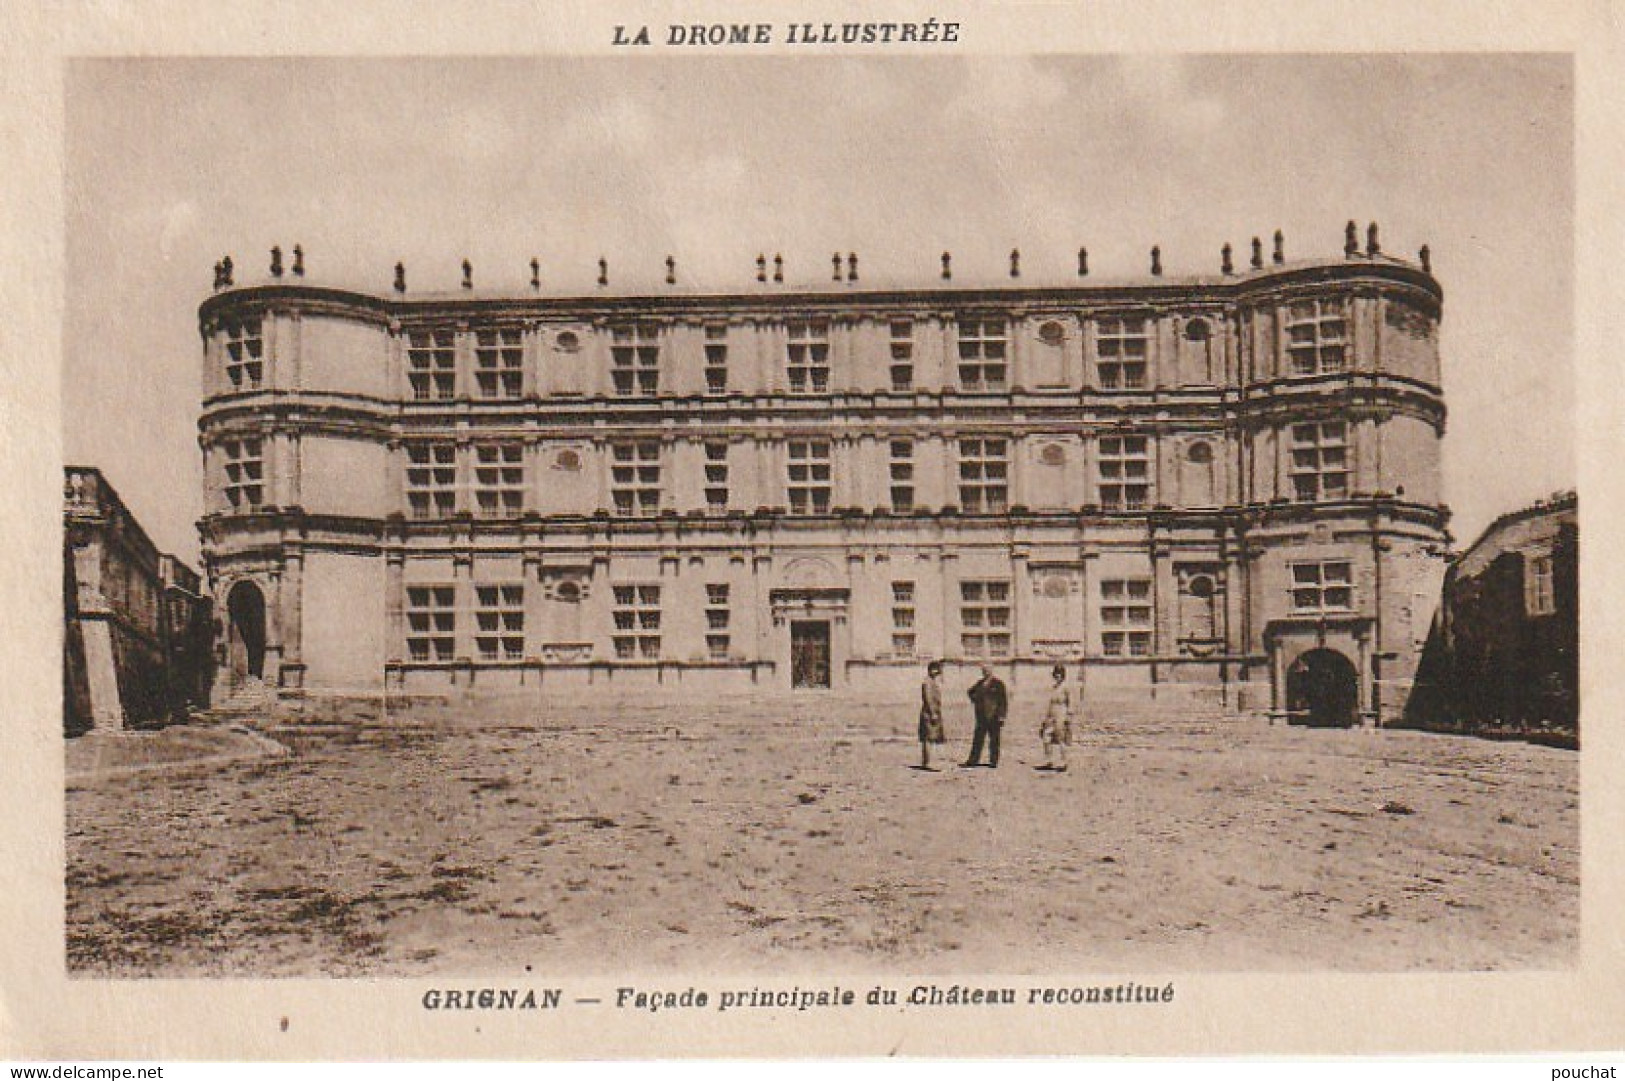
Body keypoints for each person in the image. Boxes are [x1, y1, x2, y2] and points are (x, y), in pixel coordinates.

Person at [962, 664, 1009, 768]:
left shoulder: (998, 684)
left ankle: (993, 761)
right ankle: (973, 760)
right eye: (984, 670)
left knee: (994, 740)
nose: (986, 672)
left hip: (994, 716)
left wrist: (1002, 715)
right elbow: (970, 692)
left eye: (987, 670)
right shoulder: (980, 683)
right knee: (978, 739)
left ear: (991, 671)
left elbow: (1003, 701)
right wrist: (975, 701)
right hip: (981, 716)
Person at [1037, 664, 1074, 772]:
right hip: (1052, 713)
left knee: (1061, 738)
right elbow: (1050, 703)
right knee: (1046, 736)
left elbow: (1071, 703)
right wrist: (1046, 718)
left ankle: (1064, 762)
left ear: (1063, 675)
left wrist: (1068, 716)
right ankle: (1048, 760)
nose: (1058, 676)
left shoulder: (1066, 687)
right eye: (1056, 674)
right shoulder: (1054, 688)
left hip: (1062, 712)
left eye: (1060, 674)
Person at [917, 661, 946, 770]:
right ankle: (927, 762)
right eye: (936, 670)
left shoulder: (932, 682)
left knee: (932, 737)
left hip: (933, 712)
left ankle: (929, 762)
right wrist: (933, 713)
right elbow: (928, 698)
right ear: (931, 670)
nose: (938, 672)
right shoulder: (928, 683)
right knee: (928, 738)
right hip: (929, 713)